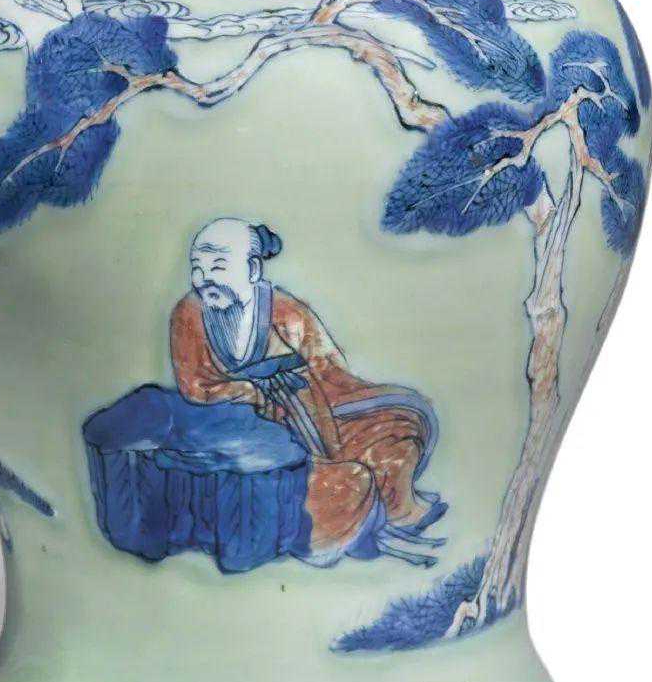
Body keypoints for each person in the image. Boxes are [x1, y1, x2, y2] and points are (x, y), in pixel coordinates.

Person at [169, 217, 445, 566]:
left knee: (401, 426)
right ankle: (352, 525)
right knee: (340, 485)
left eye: (217, 267)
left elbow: (327, 365)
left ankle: (396, 511)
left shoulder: (284, 309)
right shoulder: (189, 315)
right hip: (246, 430)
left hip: (313, 410)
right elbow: (195, 386)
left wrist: (310, 399)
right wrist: (252, 394)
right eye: (197, 268)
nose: (204, 279)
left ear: (252, 269)